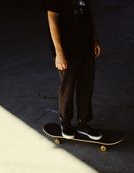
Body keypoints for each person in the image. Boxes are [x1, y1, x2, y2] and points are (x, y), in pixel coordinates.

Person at [41, 0, 102, 140]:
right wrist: (59, 52)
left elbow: (88, 15)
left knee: (86, 86)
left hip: (86, 46)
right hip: (67, 49)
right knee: (67, 87)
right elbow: (52, 17)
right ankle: (65, 123)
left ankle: (83, 123)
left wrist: (94, 39)